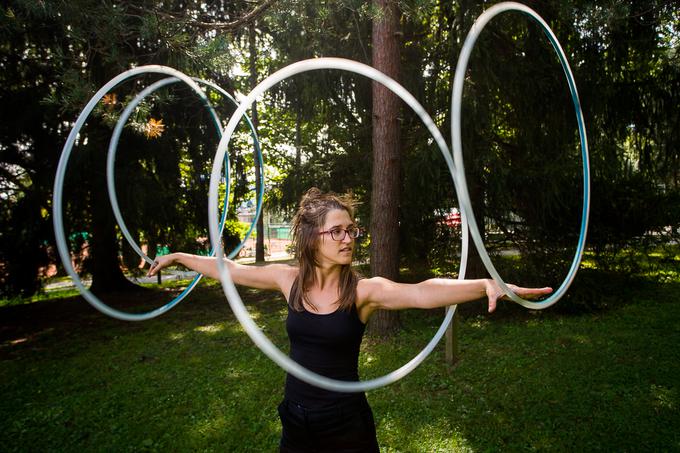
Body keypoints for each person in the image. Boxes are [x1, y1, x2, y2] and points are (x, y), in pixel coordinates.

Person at [147, 188, 552, 452]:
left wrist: (484, 284)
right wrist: (181, 257)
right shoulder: (287, 280)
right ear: (311, 238)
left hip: (345, 426)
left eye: (351, 231)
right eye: (336, 231)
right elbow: (229, 269)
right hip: (296, 418)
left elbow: (422, 291)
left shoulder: (362, 291)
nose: (348, 239)